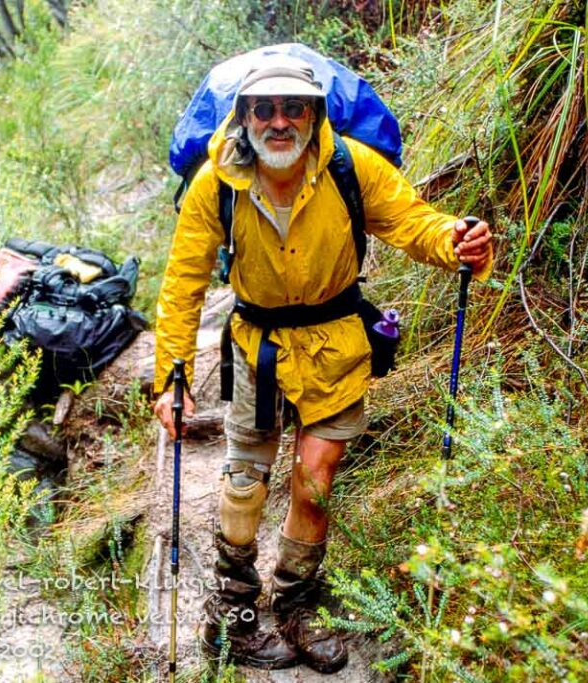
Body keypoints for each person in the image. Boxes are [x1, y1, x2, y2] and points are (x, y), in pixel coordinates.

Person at [152, 54, 493, 673]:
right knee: (244, 481)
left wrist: (455, 240)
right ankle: (232, 614)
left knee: (316, 477)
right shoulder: (216, 183)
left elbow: (412, 222)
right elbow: (183, 283)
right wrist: (172, 377)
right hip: (257, 348)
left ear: (314, 114)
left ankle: (299, 603)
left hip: (335, 344)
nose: (279, 122)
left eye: (293, 108)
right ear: (244, 115)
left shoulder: (349, 167)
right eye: (265, 108)